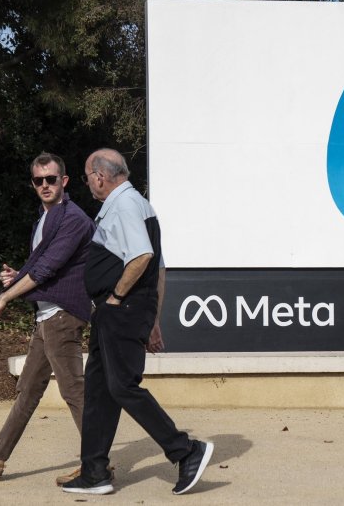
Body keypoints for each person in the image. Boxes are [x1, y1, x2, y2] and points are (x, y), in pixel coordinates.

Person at [62, 148, 212, 496]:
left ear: (99, 176)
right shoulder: (135, 205)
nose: (89, 185)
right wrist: (153, 318)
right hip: (122, 311)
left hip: (121, 309)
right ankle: (94, 472)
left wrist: (115, 297)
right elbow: (159, 266)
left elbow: (143, 257)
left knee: (121, 386)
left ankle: (185, 450)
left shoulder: (126, 205)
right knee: (100, 391)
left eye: (87, 178)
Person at [0, 153, 95, 483]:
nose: (46, 185)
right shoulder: (44, 218)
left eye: (51, 179)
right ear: (33, 184)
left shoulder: (73, 219)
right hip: (47, 316)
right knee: (28, 390)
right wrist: (20, 274)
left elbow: (49, 268)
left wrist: (5, 297)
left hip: (63, 316)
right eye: (39, 180)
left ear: (64, 181)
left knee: (74, 391)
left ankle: (98, 464)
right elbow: (46, 267)